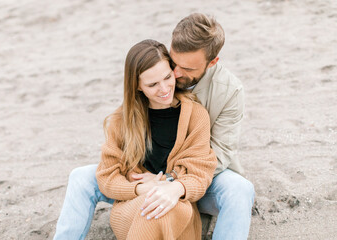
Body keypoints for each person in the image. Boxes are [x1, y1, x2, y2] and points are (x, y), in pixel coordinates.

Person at [54, 13, 255, 240]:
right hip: (142, 179)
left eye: (186, 69)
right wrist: (145, 184)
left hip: (199, 177)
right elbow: (126, 138)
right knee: (81, 177)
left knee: (240, 189)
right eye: (173, 64)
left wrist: (169, 181)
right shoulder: (155, 71)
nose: (176, 74)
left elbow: (219, 154)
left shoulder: (228, 92)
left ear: (211, 63)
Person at [96, 39, 217, 239]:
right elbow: (107, 178)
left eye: (167, 77)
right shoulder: (120, 121)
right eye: (153, 84)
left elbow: (200, 174)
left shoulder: (196, 115)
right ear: (137, 86)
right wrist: (143, 188)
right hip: (133, 206)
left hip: (178, 204)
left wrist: (173, 186)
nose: (164, 89)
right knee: (152, 208)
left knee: (163, 210)